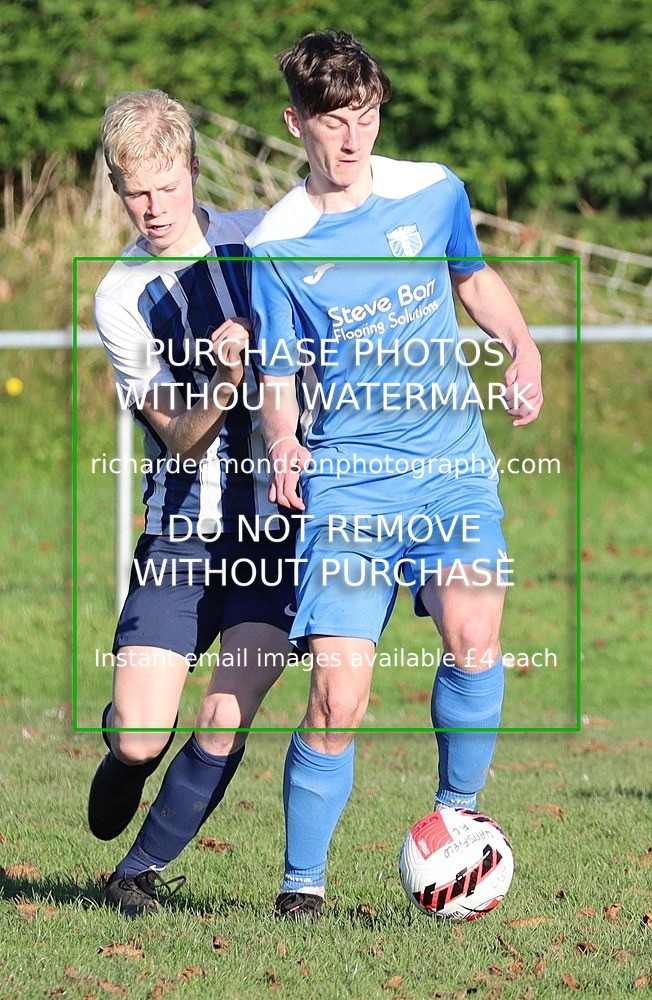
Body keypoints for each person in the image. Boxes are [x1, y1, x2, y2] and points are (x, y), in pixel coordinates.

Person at [245, 30, 543, 919]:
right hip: (351, 486)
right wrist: (284, 442)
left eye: (366, 116)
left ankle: (455, 819)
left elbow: (473, 276)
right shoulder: (278, 243)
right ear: (296, 122)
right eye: (333, 121)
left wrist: (520, 344)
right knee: (340, 694)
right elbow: (276, 371)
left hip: (451, 467)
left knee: (476, 637)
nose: (352, 138)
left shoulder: (432, 189)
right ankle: (302, 887)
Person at [89, 89, 296, 917]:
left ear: (193, 174)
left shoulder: (262, 239)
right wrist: (221, 380)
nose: (155, 208)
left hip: (276, 527)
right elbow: (177, 434)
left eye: (168, 187)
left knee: (225, 709)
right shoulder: (120, 294)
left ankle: (135, 874)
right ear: (117, 189)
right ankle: (127, 757)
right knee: (142, 732)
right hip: (183, 528)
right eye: (136, 192)